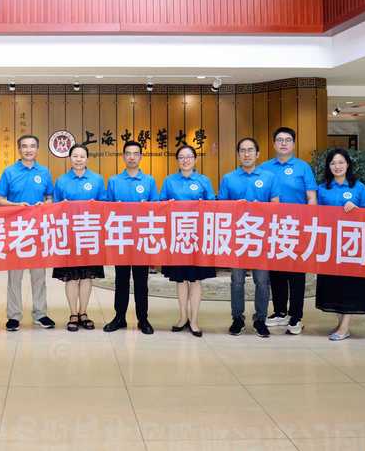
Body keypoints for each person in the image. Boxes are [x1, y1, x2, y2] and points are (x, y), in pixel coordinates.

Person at [218, 137, 279, 338]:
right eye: (242, 150)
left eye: (250, 150)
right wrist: (236, 206)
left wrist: (261, 208)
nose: (246, 154)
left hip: (261, 237)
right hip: (237, 238)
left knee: (262, 281)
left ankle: (260, 319)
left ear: (257, 154)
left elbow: (276, 205)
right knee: (237, 281)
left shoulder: (269, 177)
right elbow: (221, 208)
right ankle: (237, 318)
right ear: (238, 155)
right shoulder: (228, 178)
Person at [260, 127, 318, 335]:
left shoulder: (303, 167)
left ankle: (296, 315)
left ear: (293, 144)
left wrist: (309, 225)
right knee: (276, 272)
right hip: (272, 227)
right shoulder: (265, 168)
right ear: (274, 144)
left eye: (287, 140)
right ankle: (279, 311)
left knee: (296, 274)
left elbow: (311, 198)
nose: (283, 143)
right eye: (279, 140)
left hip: (297, 227)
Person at [0, 135, 56, 331]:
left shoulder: (44, 171)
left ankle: (40, 314)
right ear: (19, 149)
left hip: (38, 230)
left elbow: (50, 198)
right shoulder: (9, 171)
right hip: (16, 230)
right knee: (15, 277)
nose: (28, 150)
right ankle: (14, 316)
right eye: (24, 146)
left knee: (38, 275)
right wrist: (15, 205)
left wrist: (44, 204)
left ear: (37, 149)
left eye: (32, 146)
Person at [314, 148, 365, 341]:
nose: (337, 166)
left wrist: (357, 209)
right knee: (334, 285)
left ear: (348, 164)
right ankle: (341, 323)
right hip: (330, 244)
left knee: (350, 284)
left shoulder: (359, 187)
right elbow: (315, 214)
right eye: (333, 163)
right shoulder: (322, 188)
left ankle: (345, 327)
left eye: (341, 162)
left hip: (352, 244)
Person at [159, 145, 216, 337]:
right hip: (177, 237)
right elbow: (161, 204)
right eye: (181, 157)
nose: (185, 160)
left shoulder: (203, 180)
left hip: (198, 236)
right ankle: (183, 317)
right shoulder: (169, 181)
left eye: (189, 156)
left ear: (195, 159)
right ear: (177, 161)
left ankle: (194, 320)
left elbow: (212, 205)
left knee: (196, 279)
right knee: (181, 279)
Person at [103, 140, 158, 335]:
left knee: (142, 281)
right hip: (121, 238)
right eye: (128, 153)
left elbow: (156, 208)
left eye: (136, 153)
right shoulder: (114, 181)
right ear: (123, 156)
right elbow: (106, 208)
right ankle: (120, 317)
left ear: (141, 157)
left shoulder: (149, 181)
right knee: (121, 280)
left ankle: (143, 319)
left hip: (142, 238)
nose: (132, 157)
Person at [52, 144, 106, 331]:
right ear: (70, 158)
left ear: (87, 159)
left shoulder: (97, 179)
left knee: (86, 276)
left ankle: (84, 312)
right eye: (75, 156)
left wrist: (95, 205)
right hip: (69, 235)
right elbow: (55, 207)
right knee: (71, 277)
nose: (78, 159)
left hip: (90, 234)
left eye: (82, 156)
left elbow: (104, 205)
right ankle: (73, 313)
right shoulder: (61, 180)